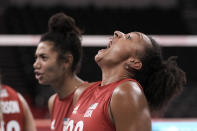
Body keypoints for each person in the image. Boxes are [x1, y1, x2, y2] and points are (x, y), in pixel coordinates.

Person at [60, 31, 186, 131]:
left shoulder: (127, 92)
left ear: (134, 62)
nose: (117, 33)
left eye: (128, 37)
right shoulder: (82, 92)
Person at [33, 12, 88, 130]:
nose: (35, 64)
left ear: (67, 61)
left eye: (43, 57)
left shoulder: (91, 98)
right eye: (36, 57)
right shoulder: (53, 102)